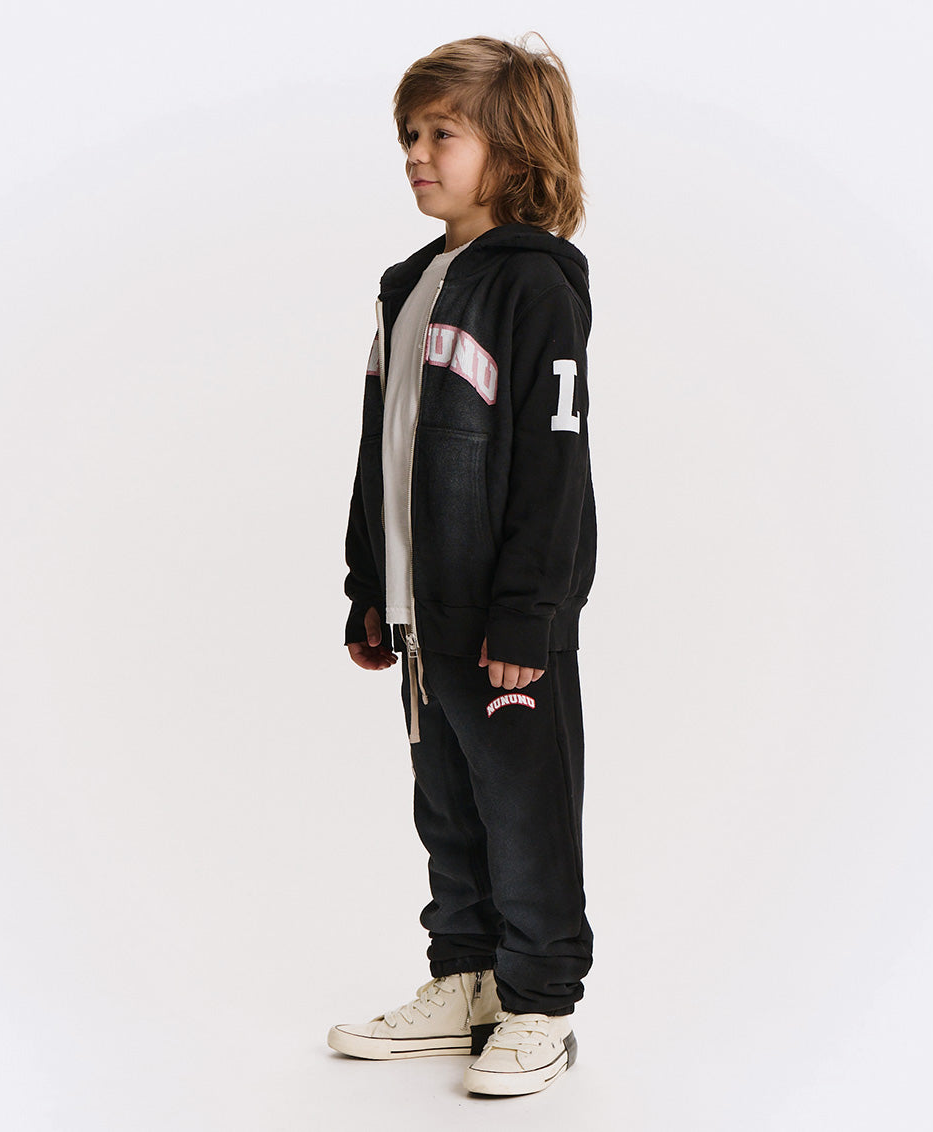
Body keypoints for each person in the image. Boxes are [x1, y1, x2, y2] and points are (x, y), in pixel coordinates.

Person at [328, 33, 597, 1097]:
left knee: (526, 812)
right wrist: (368, 584)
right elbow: (381, 452)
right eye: (409, 133)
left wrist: (530, 610)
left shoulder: (535, 286)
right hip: (420, 610)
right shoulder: (408, 284)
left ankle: (541, 1004)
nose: (415, 152)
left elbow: (553, 464)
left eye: (443, 132)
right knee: (446, 804)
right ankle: (470, 980)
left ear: (513, 146)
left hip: (503, 620)